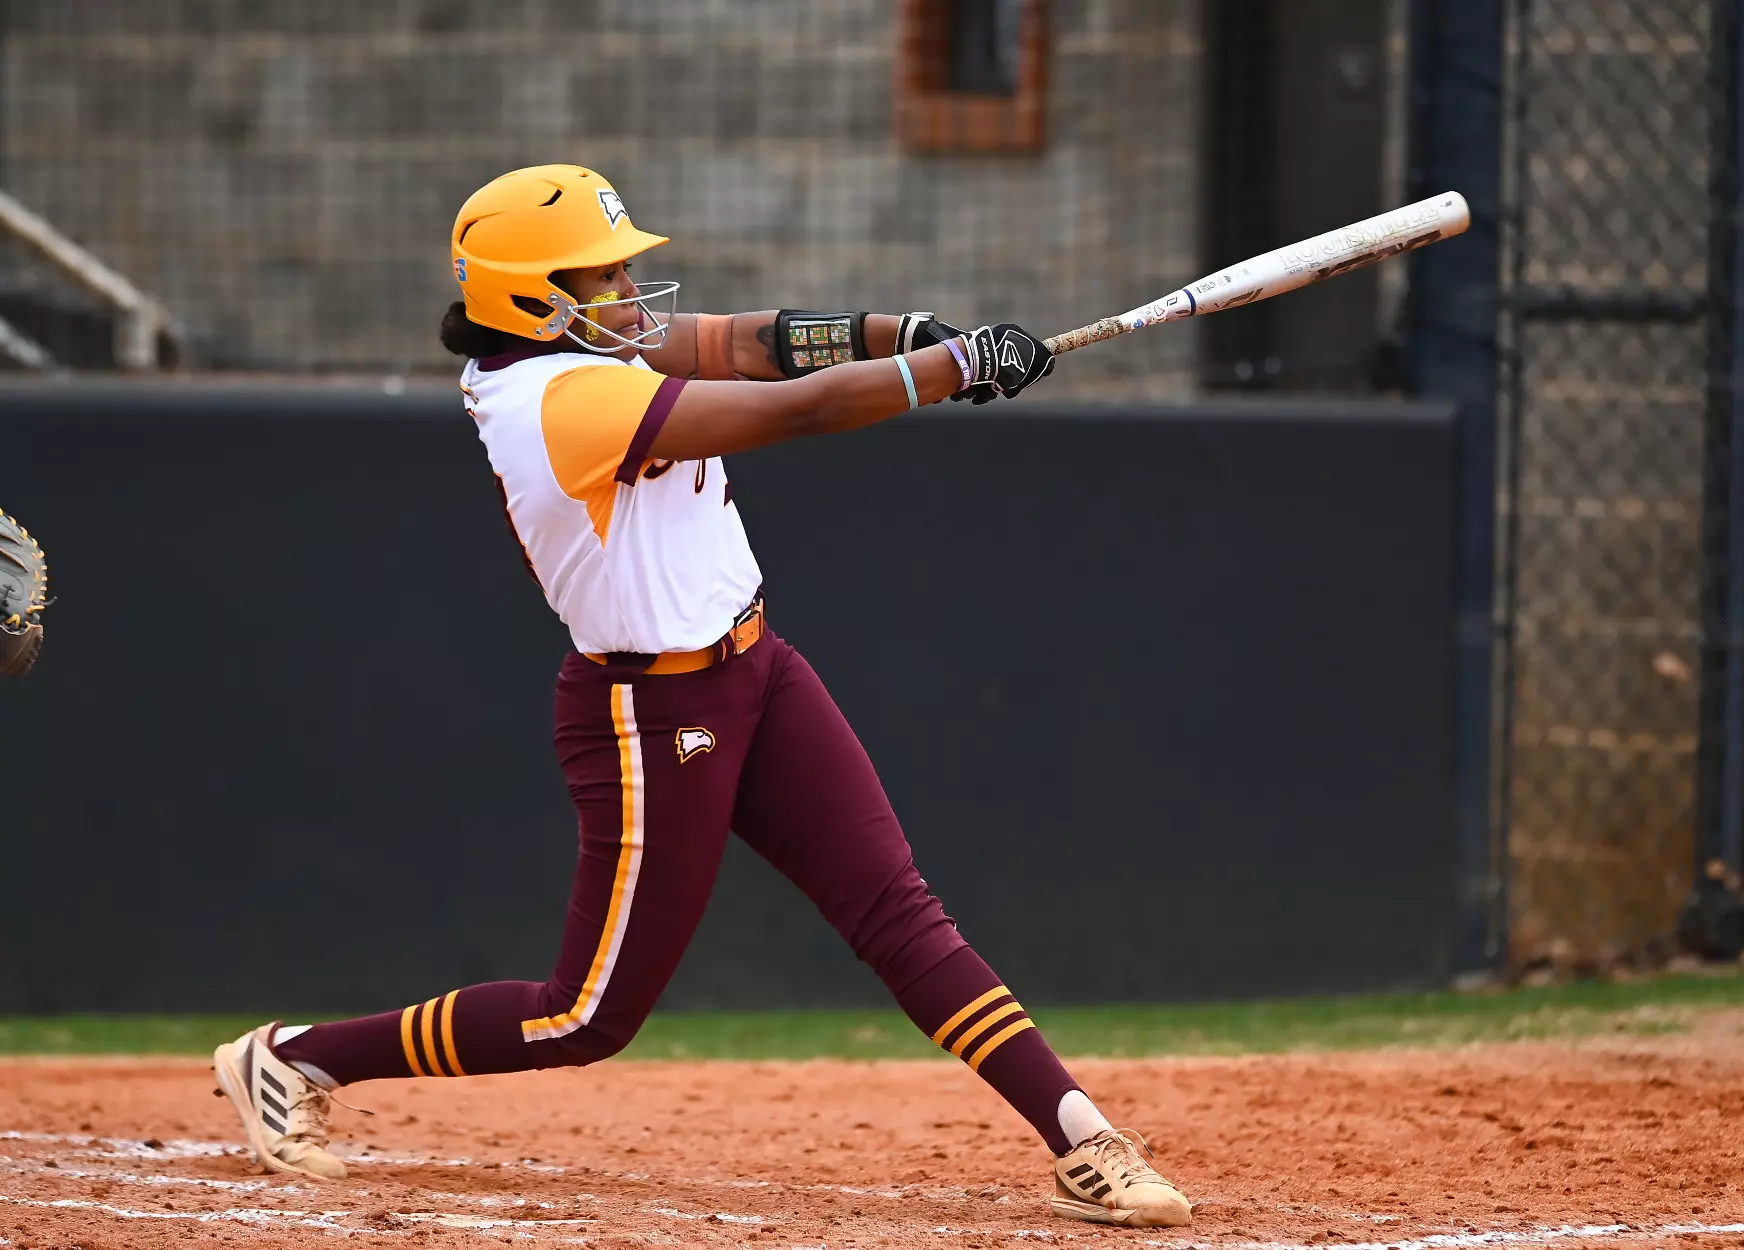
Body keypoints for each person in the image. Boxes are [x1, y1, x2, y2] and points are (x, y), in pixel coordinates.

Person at [210, 164, 1192, 1229]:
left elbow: (744, 342)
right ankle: (292, 1057)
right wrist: (952, 367)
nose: (631, 291)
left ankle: (1082, 1135)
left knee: (897, 907)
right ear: (532, 295)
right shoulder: (562, 396)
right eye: (605, 273)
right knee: (582, 1015)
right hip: (646, 713)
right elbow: (796, 407)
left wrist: (892, 329)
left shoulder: (590, 347)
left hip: (756, 668)